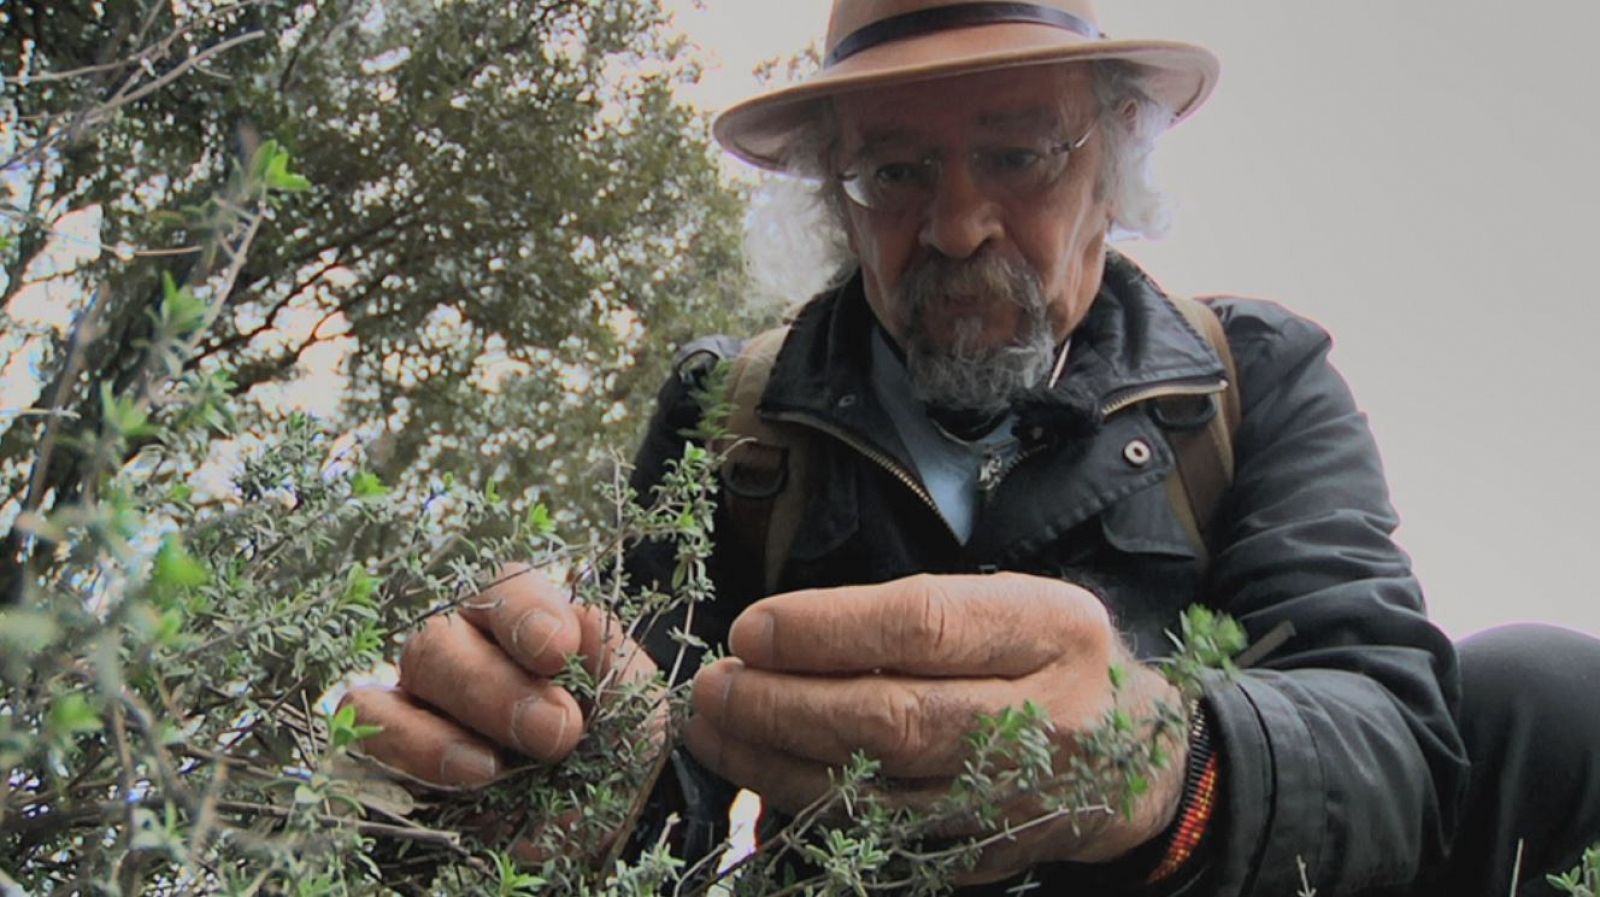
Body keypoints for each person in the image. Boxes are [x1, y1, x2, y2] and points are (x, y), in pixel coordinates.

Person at [342, 1, 1600, 894]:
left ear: (1113, 162)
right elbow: (661, 783)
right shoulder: (730, 419)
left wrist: (1165, 770)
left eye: (1016, 153)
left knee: (1549, 698)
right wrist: (547, 763)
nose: (953, 225)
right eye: (894, 169)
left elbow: (1393, 736)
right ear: (834, 193)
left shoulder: (1251, 380)